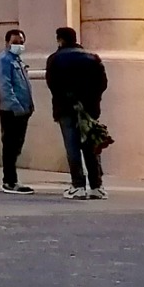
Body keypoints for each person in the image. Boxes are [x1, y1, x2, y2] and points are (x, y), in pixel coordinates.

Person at [45, 27, 108, 200]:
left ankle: (78, 185)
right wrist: (91, 101)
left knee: (72, 147)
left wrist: (69, 99)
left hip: (66, 109)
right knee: (90, 146)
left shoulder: (55, 59)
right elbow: (102, 83)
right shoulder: (92, 58)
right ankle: (97, 186)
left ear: (60, 40)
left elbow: (53, 84)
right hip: (89, 110)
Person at [0, 29, 36, 194]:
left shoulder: (18, 60)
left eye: (21, 42)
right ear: (7, 43)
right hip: (11, 110)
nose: (18, 45)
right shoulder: (4, 60)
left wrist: (29, 105)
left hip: (23, 109)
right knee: (10, 145)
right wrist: (16, 106)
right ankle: (9, 181)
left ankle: (12, 179)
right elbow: (5, 86)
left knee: (16, 145)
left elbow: (24, 85)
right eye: (15, 42)